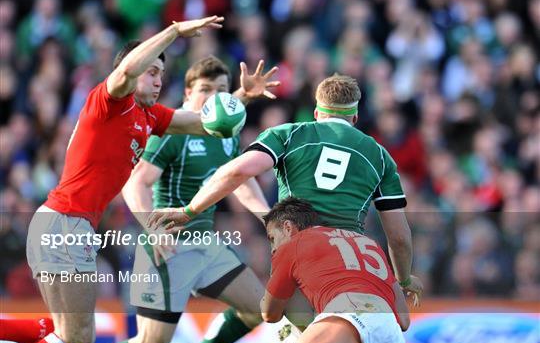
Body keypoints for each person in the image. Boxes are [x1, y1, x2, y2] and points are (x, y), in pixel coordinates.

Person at [1, 16, 226, 343]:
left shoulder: (149, 117)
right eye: (151, 72)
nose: (158, 80)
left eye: (162, 75)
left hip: (62, 224)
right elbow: (124, 74)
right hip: (65, 224)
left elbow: (203, 124)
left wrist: (239, 100)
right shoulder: (110, 101)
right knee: (76, 337)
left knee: (68, 333)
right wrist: (174, 31)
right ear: (132, 71)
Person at [148, 74, 423, 302]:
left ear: (317, 113)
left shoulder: (290, 134)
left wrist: (189, 210)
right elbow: (398, 236)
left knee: (291, 337)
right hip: (354, 264)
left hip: (300, 260)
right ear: (354, 117)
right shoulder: (380, 155)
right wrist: (404, 278)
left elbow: (238, 170)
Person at [98, 55, 280, 343]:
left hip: (205, 245)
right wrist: (154, 230)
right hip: (167, 248)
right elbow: (135, 183)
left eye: (221, 90)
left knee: (257, 308)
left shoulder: (226, 134)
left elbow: (238, 179)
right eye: (205, 90)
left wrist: (267, 217)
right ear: (188, 95)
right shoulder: (173, 133)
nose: (214, 98)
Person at [261, 197, 411, 343]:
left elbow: (270, 314)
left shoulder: (293, 245)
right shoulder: (369, 243)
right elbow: (404, 321)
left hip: (351, 313)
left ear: (287, 227)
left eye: (272, 238)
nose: (273, 249)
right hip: (391, 335)